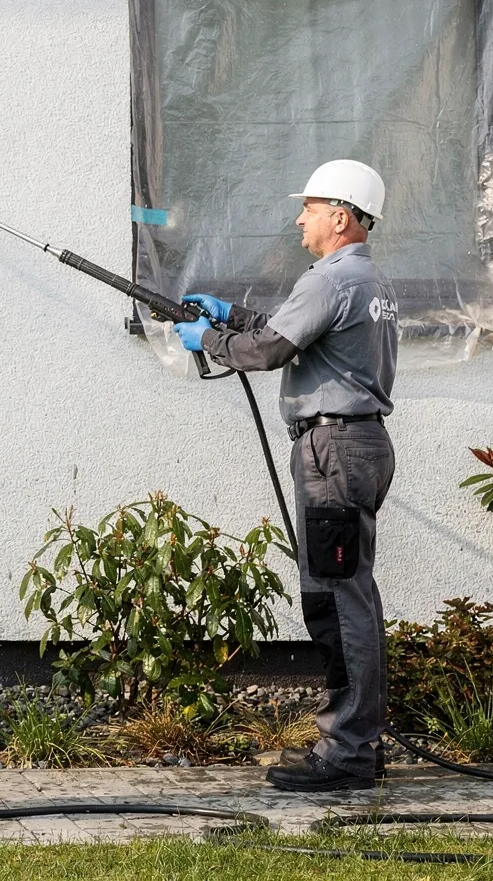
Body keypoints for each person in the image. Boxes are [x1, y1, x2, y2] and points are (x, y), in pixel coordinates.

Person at [174, 159, 398, 793]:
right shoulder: (367, 279)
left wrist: (208, 341)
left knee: (337, 600)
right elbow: (292, 333)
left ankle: (348, 754)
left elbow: (272, 351)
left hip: (333, 449)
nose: (299, 218)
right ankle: (356, 743)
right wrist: (233, 315)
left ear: (341, 216)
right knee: (347, 594)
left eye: (310, 207)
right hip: (357, 446)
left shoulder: (332, 279)